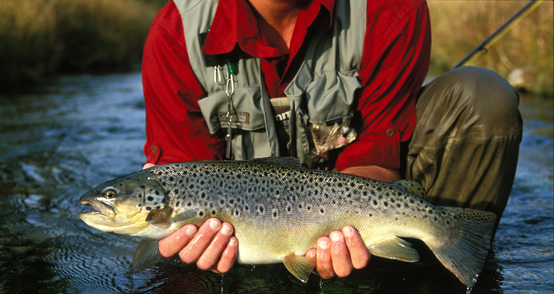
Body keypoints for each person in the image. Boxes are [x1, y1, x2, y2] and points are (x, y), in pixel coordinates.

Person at [140, 0, 522, 279]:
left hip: (357, 207)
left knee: (481, 96)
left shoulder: (390, 7)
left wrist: (341, 228)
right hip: (240, 244)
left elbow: (377, 156)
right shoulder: (176, 33)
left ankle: (444, 283)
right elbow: (183, 171)